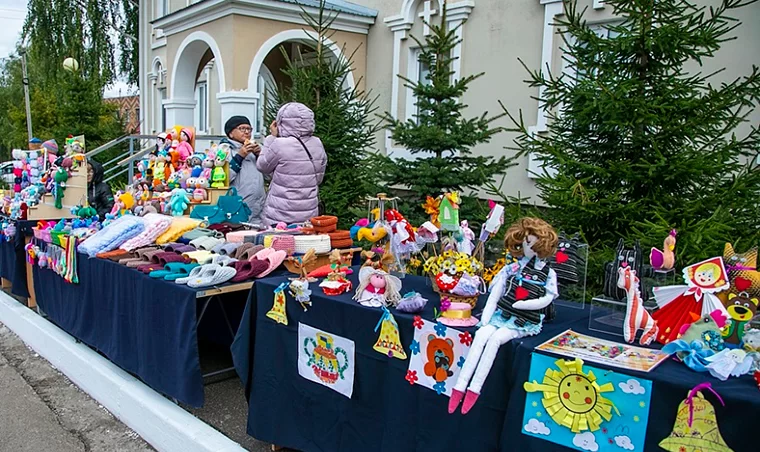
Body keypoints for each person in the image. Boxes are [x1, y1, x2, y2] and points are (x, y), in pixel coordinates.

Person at [256, 102, 327, 225]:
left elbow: (262, 166)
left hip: (280, 212)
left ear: (281, 122)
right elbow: (318, 178)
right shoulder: (317, 143)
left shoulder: (279, 144)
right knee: (303, 243)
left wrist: (271, 138)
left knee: (278, 242)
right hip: (308, 211)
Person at [222, 115, 266, 224]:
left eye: (249, 129)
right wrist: (240, 156)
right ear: (231, 133)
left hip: (259, 206)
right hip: (238, 206)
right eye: (242, 129)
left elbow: (269, 175)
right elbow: (224, 178)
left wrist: (259, 155)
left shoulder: (257, 148)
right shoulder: (225, 150)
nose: (246, 132)